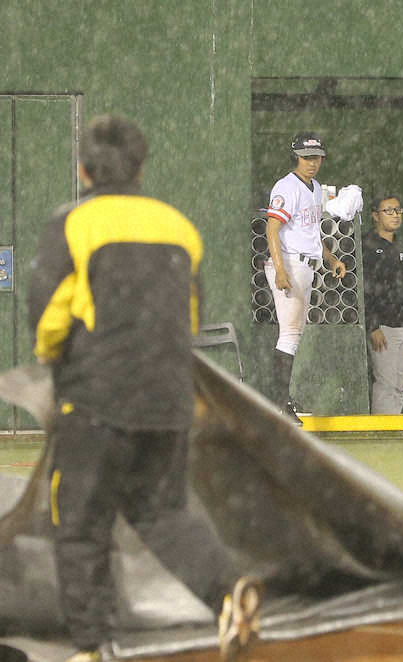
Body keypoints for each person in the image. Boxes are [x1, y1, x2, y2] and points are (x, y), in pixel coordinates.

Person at [27, 115, 260, 662]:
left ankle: (94, 646)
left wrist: (53, 365)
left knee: (81, 525)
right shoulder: (177, 225)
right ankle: (227, 591)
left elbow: (48, 322)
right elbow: (192, 317)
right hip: (169, 397)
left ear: (84, 170)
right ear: (141, 167)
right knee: (164, 515)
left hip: (95, 400)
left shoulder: (72, 223)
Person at [264, 132, 358, 424]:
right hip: (289, 263)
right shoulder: (286, 186)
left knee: (295, 333)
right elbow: (271, 228)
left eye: (316, 157)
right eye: (306, 157)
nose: (312, 163)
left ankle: (281, 399)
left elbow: (312, 230)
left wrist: (330, 259)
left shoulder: (315, 187)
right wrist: (280, 270)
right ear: (296, 157)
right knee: (290, 335)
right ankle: (279, 403)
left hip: (308, 263)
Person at [362, 194, 403, 415]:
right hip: (384, 328)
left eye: (398, 210)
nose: (395, 215)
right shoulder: (366, 245)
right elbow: (366, 288)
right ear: (375, 215)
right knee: (385, 385)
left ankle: (393, 431)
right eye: (388, 211)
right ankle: (381, 434)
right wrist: (373, 326)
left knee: (399, 386)